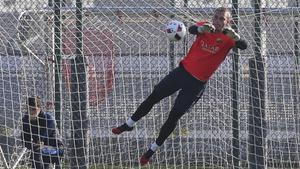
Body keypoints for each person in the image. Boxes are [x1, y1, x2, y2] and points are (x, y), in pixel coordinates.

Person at [112, 7, 247, 166]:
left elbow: (243, 45)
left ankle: (151, 150)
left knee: (174, 115)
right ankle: (129, 124)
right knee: (154, 96)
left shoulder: (228, 38)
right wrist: (200, 28)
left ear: (228, 21)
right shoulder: (205, 27)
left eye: (221, 19)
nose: (217, 21)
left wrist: (236, 38)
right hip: (182, 73)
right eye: (216, 17)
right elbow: (191, 30)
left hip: (196, 84)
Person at [21, 96, 64, 169]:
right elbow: (24, 139)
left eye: (34, 109)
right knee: (36, 151)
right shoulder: (25, 120)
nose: (32, 112)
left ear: (39, 108)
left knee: (38, 151)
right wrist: (31, 145)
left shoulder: (49, 119)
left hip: (55, 148)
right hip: (39, 150)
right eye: (29, 109)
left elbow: (46, 133)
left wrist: (40, 140)